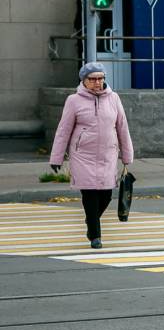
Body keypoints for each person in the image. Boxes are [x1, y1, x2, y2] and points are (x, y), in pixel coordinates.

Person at [48, 62, 134, 249]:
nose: (97, 82)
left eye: (101, 78)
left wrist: (127, 156)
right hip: (82, 155)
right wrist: (56, 157)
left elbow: (122, 127)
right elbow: (63, 130)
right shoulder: (74, 100)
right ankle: (95, 235)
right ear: (84, 81)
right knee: (90, 194)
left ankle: (91, 222)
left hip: (107, 155)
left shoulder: (114, 99)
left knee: (106, 195)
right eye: (93, 79)